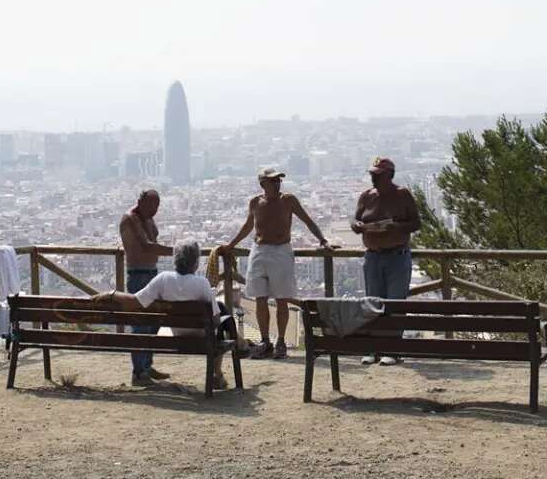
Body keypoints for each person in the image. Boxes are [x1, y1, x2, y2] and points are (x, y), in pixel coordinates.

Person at [224, 166, 331, 360]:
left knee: (282, 299)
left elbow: (308, 220)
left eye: (278, 180)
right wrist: (231, 245)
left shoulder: (288, 200)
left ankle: (280, 341)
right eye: (273, 180)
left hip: (281, 250)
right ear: (263, 183)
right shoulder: (255, 202)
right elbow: (249, 226)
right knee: (260, 298)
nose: (277, 183)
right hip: (259, 250)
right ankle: (265, 341)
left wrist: (322, 240)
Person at [102, 238, 228, 389]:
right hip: (201, 336)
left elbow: (136, 300)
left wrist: (112, 294)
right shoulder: (202, 283)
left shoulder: (163, 279)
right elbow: (214, 319)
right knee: (221, 321)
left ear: (175, 260)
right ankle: (217, 374)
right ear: (195, 263)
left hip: (177, 332)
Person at [352, 156, 419, 365]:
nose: (373, 178)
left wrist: (395, 227)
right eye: (372, 174)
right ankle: (373, 349)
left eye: (378, 175)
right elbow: (355, 220)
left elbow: (416, 222)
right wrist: (360, 226)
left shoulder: (402, 195)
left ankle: (392, 349)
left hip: (397, 256)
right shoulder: (367, 196)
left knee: (394, 303)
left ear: (390, 175)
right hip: (373, 256)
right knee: (373, 303)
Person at [120, 189, 173, 382]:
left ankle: (147, 365)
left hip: (151, 273)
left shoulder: (148, 218)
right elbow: (146, 245)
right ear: (140, 202)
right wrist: (176, 251)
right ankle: (138, 372)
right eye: (152, 205)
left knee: (155, 321)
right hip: (138, 274)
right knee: (140, 323)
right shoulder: (131, 219)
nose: (155, 210)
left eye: (157, 206)